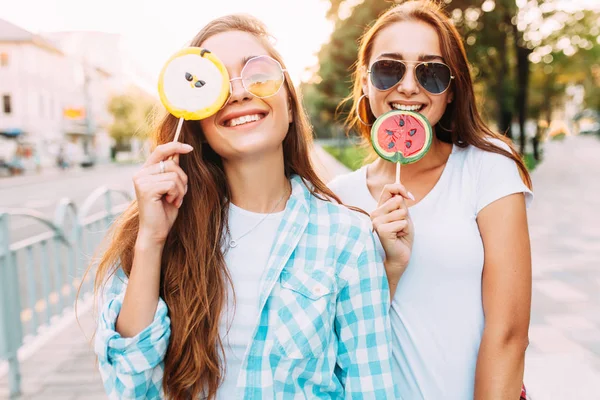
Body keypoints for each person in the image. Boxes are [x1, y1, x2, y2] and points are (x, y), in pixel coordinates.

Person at [92, 14, 397, 400]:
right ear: (197, 116)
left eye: (258, 74)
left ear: (289, 99)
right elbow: (129, 386)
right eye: (214, 81)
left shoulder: (349, 237)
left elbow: (371, 389)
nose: (238, 92)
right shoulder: (165, 230)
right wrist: (152, 240)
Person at [328, 1, 534, 399]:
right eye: (389, 68)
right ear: (365, 82)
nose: (408, 86)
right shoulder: (337, 198)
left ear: (453, 90)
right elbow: (335, 344)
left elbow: (509, 334)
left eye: (431, 72)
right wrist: (387, 268)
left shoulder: (487, 168)